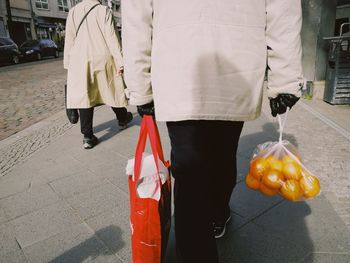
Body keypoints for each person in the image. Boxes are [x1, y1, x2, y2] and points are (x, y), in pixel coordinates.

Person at [122, 0, 303, 262]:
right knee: (223, 155)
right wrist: (285, 78)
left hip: (178, 66)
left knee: (189, 172)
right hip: (236, 64)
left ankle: (203, 238)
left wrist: (140, 86)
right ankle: (217, 214)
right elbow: (282, 10)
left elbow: (136, 17)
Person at [64, 0, 132, 149]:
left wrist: (68, 65)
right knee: (111, 90)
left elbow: (69, 40)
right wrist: (121, 62)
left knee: (85, 95)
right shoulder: (103, 10)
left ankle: (87, 136)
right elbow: (112, 38)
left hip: (79, 60)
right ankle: (122, 119)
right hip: (102, 57)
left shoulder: (73, 12)